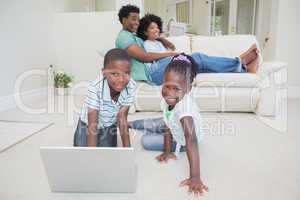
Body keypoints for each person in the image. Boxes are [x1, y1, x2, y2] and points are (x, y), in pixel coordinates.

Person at [115, 5, 259, 86]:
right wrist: (170, 54)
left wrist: (162, 40)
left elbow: (148, 37)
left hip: (156, 70)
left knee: (197, 64)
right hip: (153, 74)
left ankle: (243, 68)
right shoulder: (123, 37)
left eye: (137, 20)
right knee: (197, 59)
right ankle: (240, 62)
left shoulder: (132, 36)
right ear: (123, 19)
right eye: (133, 19)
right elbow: (144, 56)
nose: (136, 22)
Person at [130, 54, 209, 195]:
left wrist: (195, 177)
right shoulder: (167, 100)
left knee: (146, 140)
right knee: (151, 123)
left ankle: (143, 128)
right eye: (167, 86)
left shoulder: (186, 112)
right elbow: (168, 125)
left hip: (184, 141)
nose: (169, 93)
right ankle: (130, 124)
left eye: (176, 89)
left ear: (188, 89)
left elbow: (191, 140)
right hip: (173, 124)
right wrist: (167, 151)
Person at [73, 48, 136, 147]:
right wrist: (93, 154)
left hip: (108, 125)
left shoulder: (131, 86)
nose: (121, 79)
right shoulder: (95, 88)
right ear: (104, 72)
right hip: (87, 124)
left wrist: (127, 149)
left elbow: (122, 117)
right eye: (114, 74)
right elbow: (92, 124)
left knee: (108, 152)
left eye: (126, 73)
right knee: (82, 150)